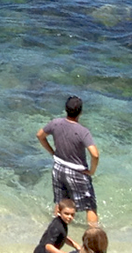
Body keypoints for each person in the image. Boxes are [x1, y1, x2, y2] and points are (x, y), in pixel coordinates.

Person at [37, 96, 100, 225]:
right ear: (80, 112)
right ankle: (93, 236)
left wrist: (52, 152)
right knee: (90, 205)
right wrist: (92, 171)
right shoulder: (82, 131)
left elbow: (40, 135)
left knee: (61, 202)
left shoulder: (55, 123)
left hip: (58, 167)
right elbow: (95, 154)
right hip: (77, 171)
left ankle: (56, 230)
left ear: (66, 109)